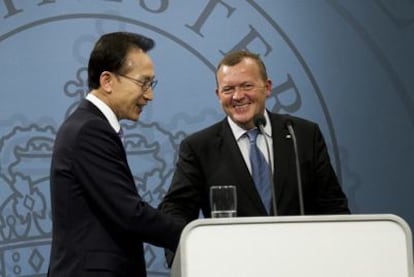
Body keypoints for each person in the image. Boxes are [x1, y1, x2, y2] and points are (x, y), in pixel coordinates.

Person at [48, 32, 184, 277]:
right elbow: (130, 213)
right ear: (108, 81)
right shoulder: (89, 130)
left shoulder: (87, 125)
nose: (149, 95)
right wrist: (194, 235)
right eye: (143, 83)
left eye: (151, 84)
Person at [159, 50, 350, 224]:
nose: (238, 96)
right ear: (218, 95)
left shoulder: (303, 135)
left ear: (267, 87)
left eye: (247, 86)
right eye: (228, 89)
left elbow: (332, 205)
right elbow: (176, 211)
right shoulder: (199, 148)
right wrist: (187, 257)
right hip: (234, 259)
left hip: (301, 257)